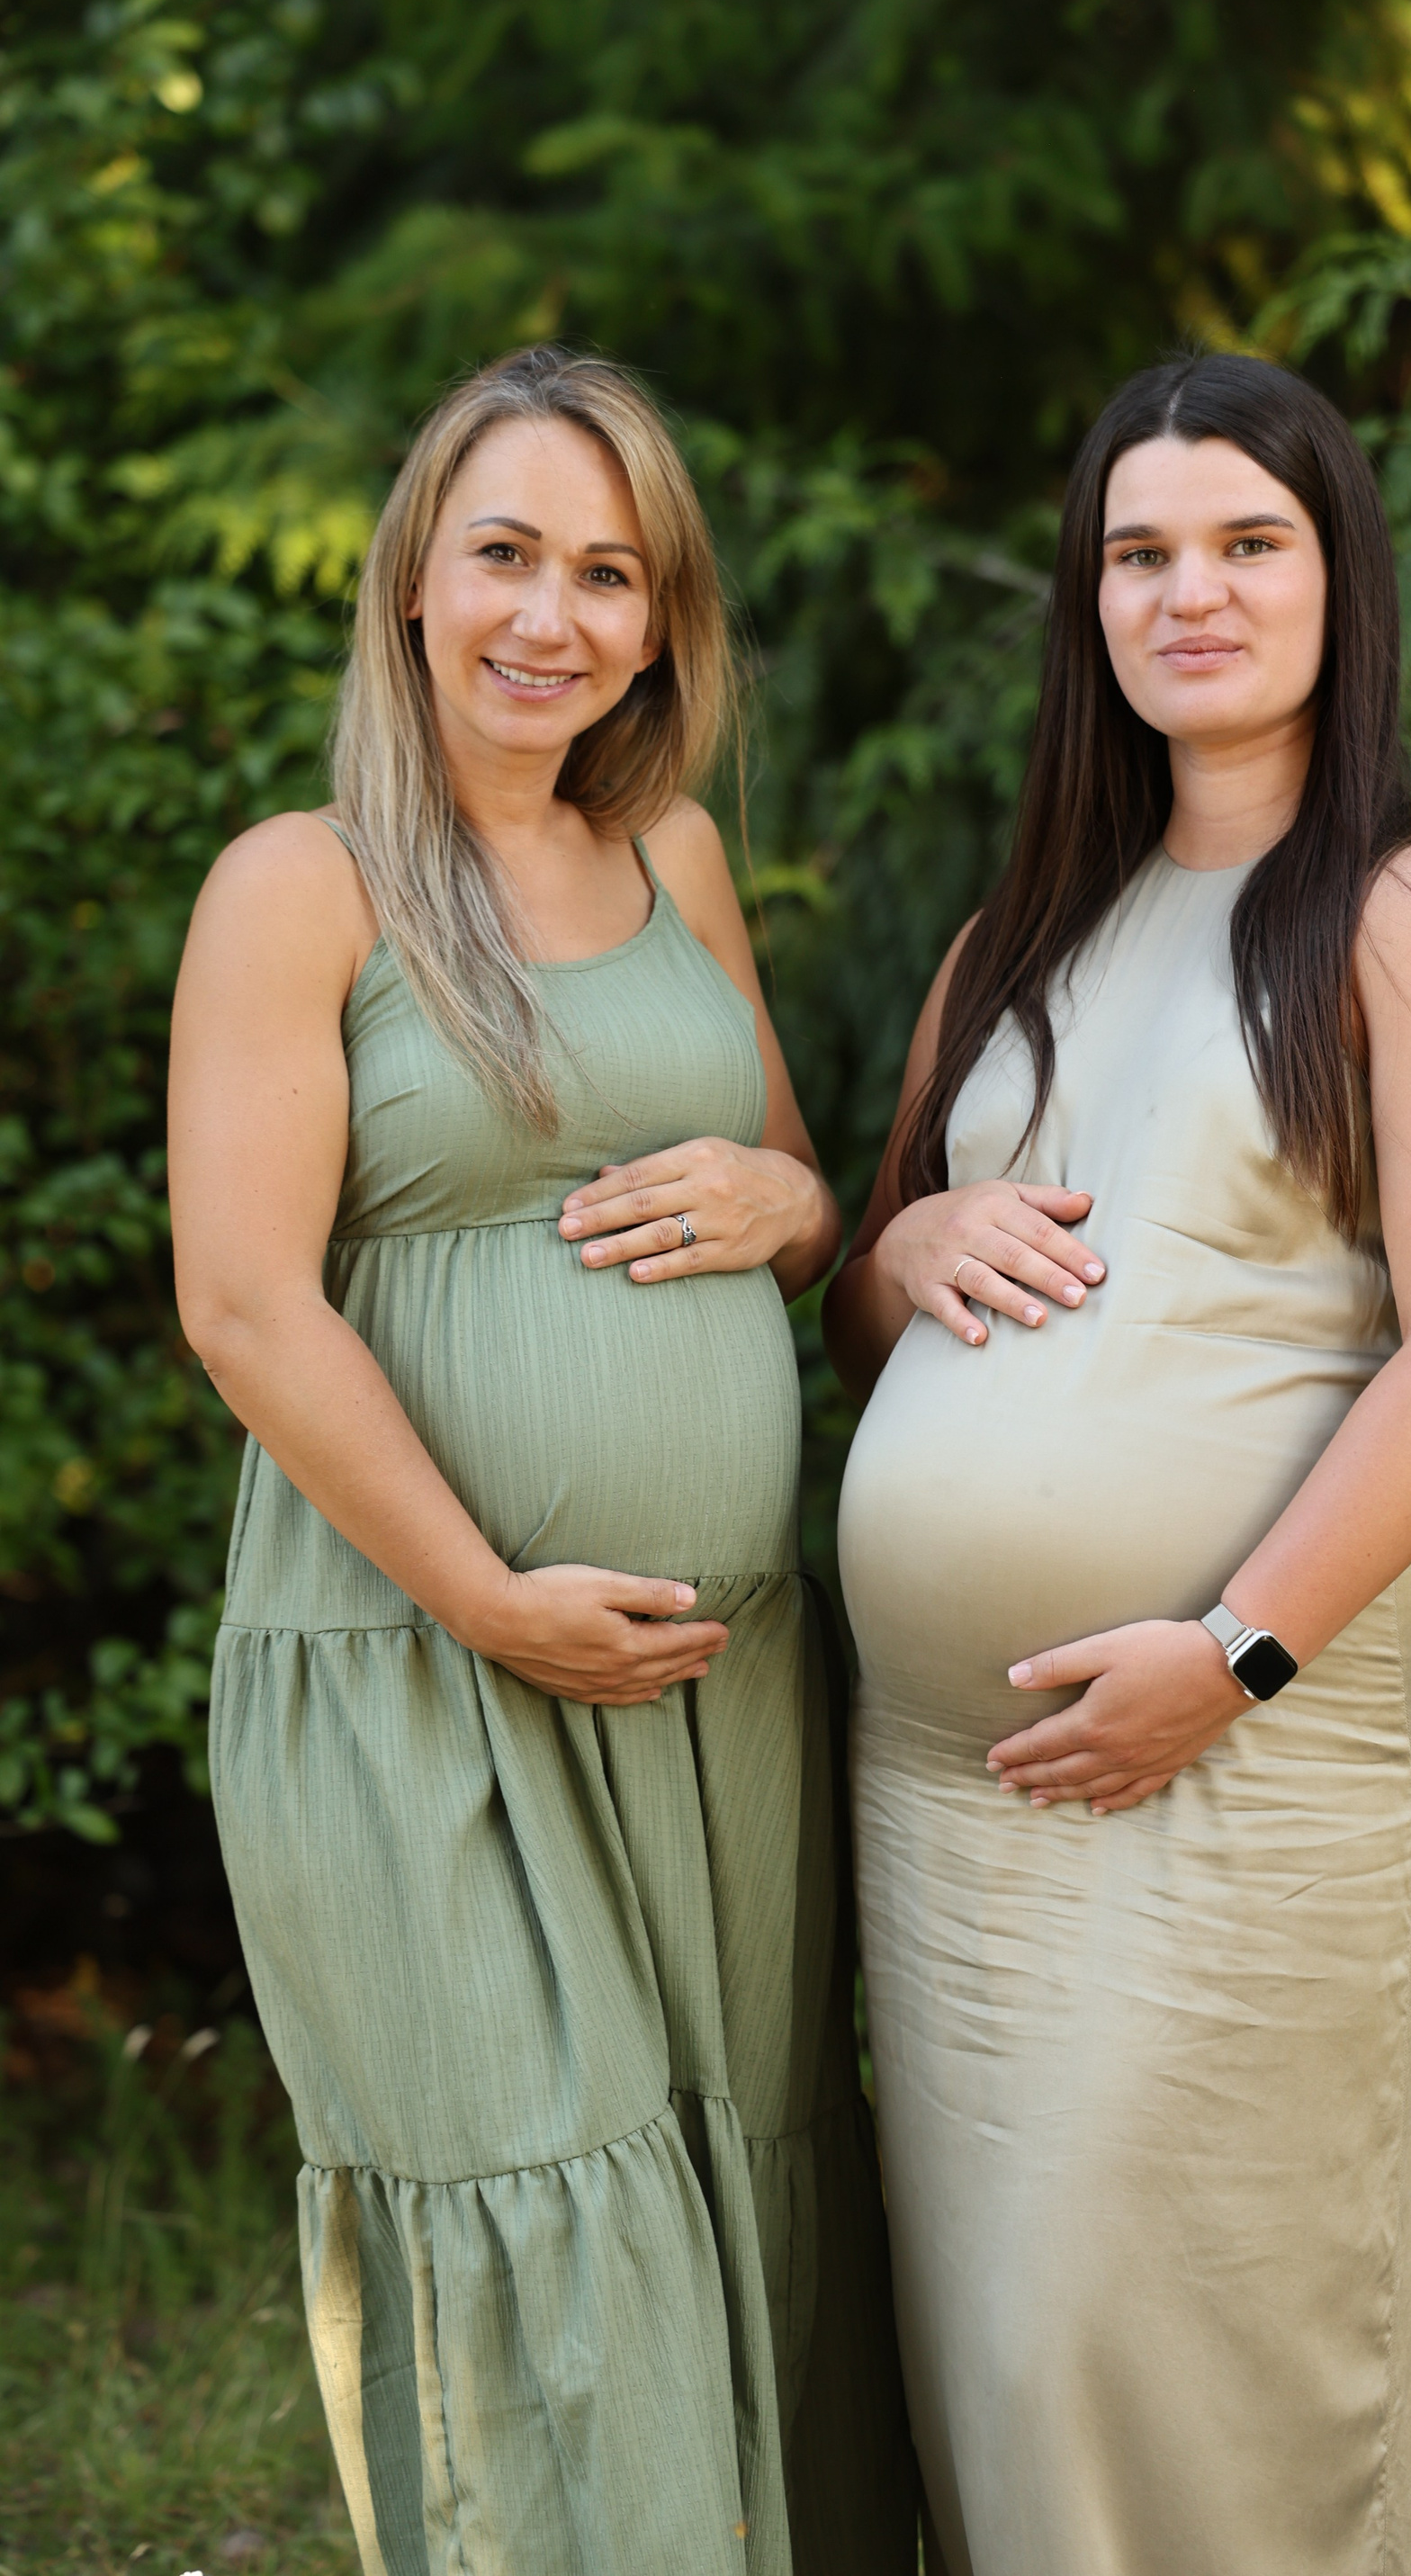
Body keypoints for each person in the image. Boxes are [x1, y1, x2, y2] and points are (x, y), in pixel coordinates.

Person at [169, 345, 915, 2576]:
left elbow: (798, 1194)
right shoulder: (300, 885)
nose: (551, 616)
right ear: (413, 578)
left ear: (661, 622)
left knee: (738, 2185)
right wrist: (489, 1597)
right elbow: (244, 1302)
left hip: (715, 1683)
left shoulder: (672, 852)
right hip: (418, 1664)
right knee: (546, 2215)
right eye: (505, 553)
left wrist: (792, 1201)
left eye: (611, 573)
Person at [824, 352, 1411, 2576]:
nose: (1190, 593)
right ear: (1089, 605)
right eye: (1139, 553)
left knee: (1188, 2348)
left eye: (1248, 541)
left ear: (1341, 582)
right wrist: (903, 1243)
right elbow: (870, 1295)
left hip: (1228, 1756)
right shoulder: (1016, 940)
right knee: (1001, 2365)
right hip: (946, 1803)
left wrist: (1230, 1653)